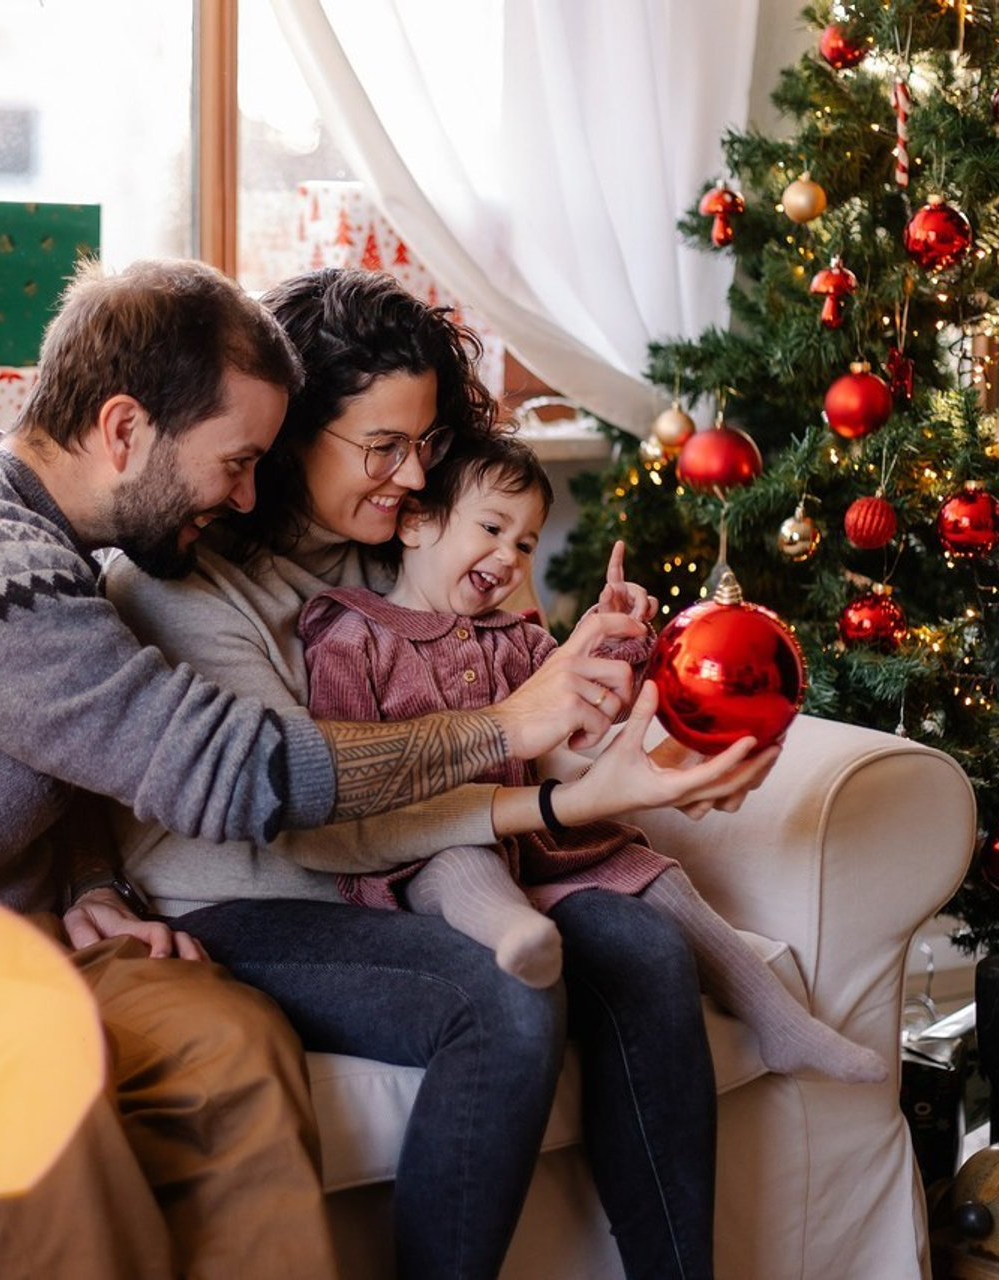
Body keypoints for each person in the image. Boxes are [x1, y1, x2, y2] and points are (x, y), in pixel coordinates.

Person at [0, 258, 627, 1280]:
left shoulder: (32, 524)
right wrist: (505, 722)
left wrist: (89, 881)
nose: (248, 492)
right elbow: (235, 768)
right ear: (123, 430)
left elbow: (27, 735)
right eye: (235, 460)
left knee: (232, 1044)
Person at [103, 266, 781, 1280]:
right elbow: (315, 814)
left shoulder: (396, 545)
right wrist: (558, 795)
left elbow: (525, 700)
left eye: (425, 445)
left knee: (640, 946)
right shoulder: (188, 580)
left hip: (416, 875)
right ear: (289, 431)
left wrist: (653, 732)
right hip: (251, 894)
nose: (414, 478)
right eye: (380, 446)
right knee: (501, 1000)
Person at [297, 430, 886, 1086]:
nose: (509, 555)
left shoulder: (517, 639)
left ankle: (780, 1023)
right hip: (416, 851)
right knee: (460, 858)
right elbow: (342, 765)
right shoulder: (353, 634)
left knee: (650, 868)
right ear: (415, 523)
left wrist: (616, 633)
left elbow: (587, 710)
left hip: (532, 842)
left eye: (524, 543)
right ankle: (517, 937)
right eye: (491, 527)